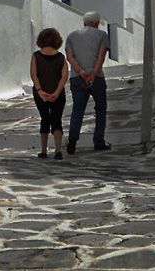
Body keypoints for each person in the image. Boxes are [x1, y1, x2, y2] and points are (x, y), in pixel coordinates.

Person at [65, 11, 111, 154]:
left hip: (77, 78)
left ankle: (72, 142)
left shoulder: (71, 36)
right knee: (101, 110)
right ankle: (98, 141)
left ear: (84, 22)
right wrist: (93, 74)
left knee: (77, 110)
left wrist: (81, 72)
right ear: (97, 23)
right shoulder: (102, 35)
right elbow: (101, 57)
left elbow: (70, 57)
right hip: (96, 78)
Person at [30, 28, 69, 160]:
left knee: (44, 119)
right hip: (57, 93)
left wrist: (40, 91)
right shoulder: (61, 57)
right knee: (57, 120)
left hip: (40, 93)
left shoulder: (36, 56)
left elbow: (34, 74)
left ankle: (43, 150)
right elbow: (64, 76)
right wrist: (57, 92)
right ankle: (58, 150)